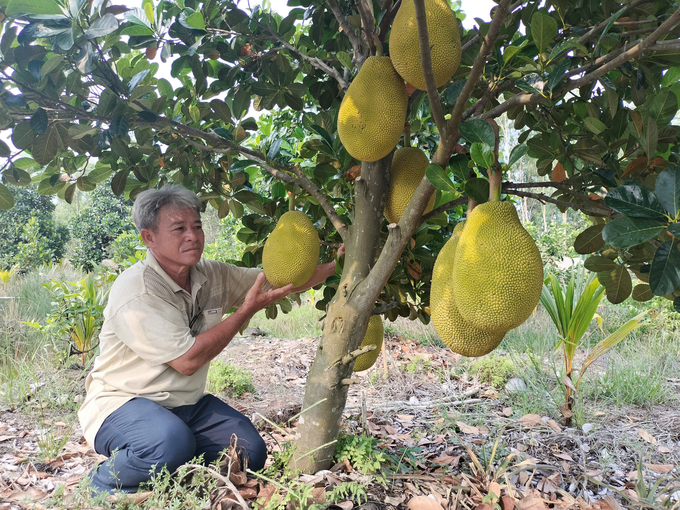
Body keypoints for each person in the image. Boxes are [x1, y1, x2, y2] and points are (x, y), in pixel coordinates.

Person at [78, 184, 341, 494]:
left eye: (197, 226)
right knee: (168, 444)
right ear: (149, 237)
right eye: (179, 228)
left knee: (248, 453)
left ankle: (176, 473)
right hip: (123, 403)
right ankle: (102, 482)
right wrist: (244, 312)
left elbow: (277, 279)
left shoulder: (211, 274)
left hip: (185, 406)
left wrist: (337, 266)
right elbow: (187, 361)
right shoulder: (137, 291)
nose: (193, 235)